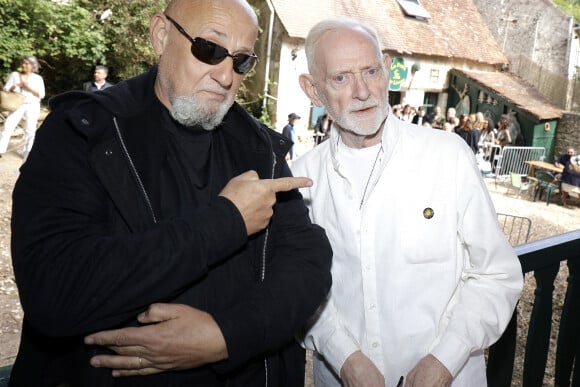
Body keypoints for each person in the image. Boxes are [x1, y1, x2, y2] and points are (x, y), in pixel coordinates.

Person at [8, 1, 332, 386]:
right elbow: (55, 290)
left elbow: (308, 265)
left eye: (242, 61)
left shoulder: (257, 146)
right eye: (209, 50)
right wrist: (225, 221)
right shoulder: (83, 132)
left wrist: (225, 336)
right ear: (161, 35)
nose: (226, 75)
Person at [293, 17, 523, 387]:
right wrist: (344, 357)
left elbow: (496, 274)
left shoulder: (447, 156)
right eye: (341, 78)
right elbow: (295, 288)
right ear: (313, 90)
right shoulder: (300, 180)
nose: (363, 91)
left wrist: (445, 358)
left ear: (387, 68)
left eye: (371, 71)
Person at [0, 55, 45, 159]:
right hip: (17, 104)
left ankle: (28, 152)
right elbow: (6, 90)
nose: (23, 65)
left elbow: (41, 94)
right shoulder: (15, 75)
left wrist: (27, 87)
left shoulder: (38, 78)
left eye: (26, 63)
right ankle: (1, 150)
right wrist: (13, 87)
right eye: (23, 63)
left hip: (32, 105)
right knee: (8, 126)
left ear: (32, 66)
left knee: (30, 130)